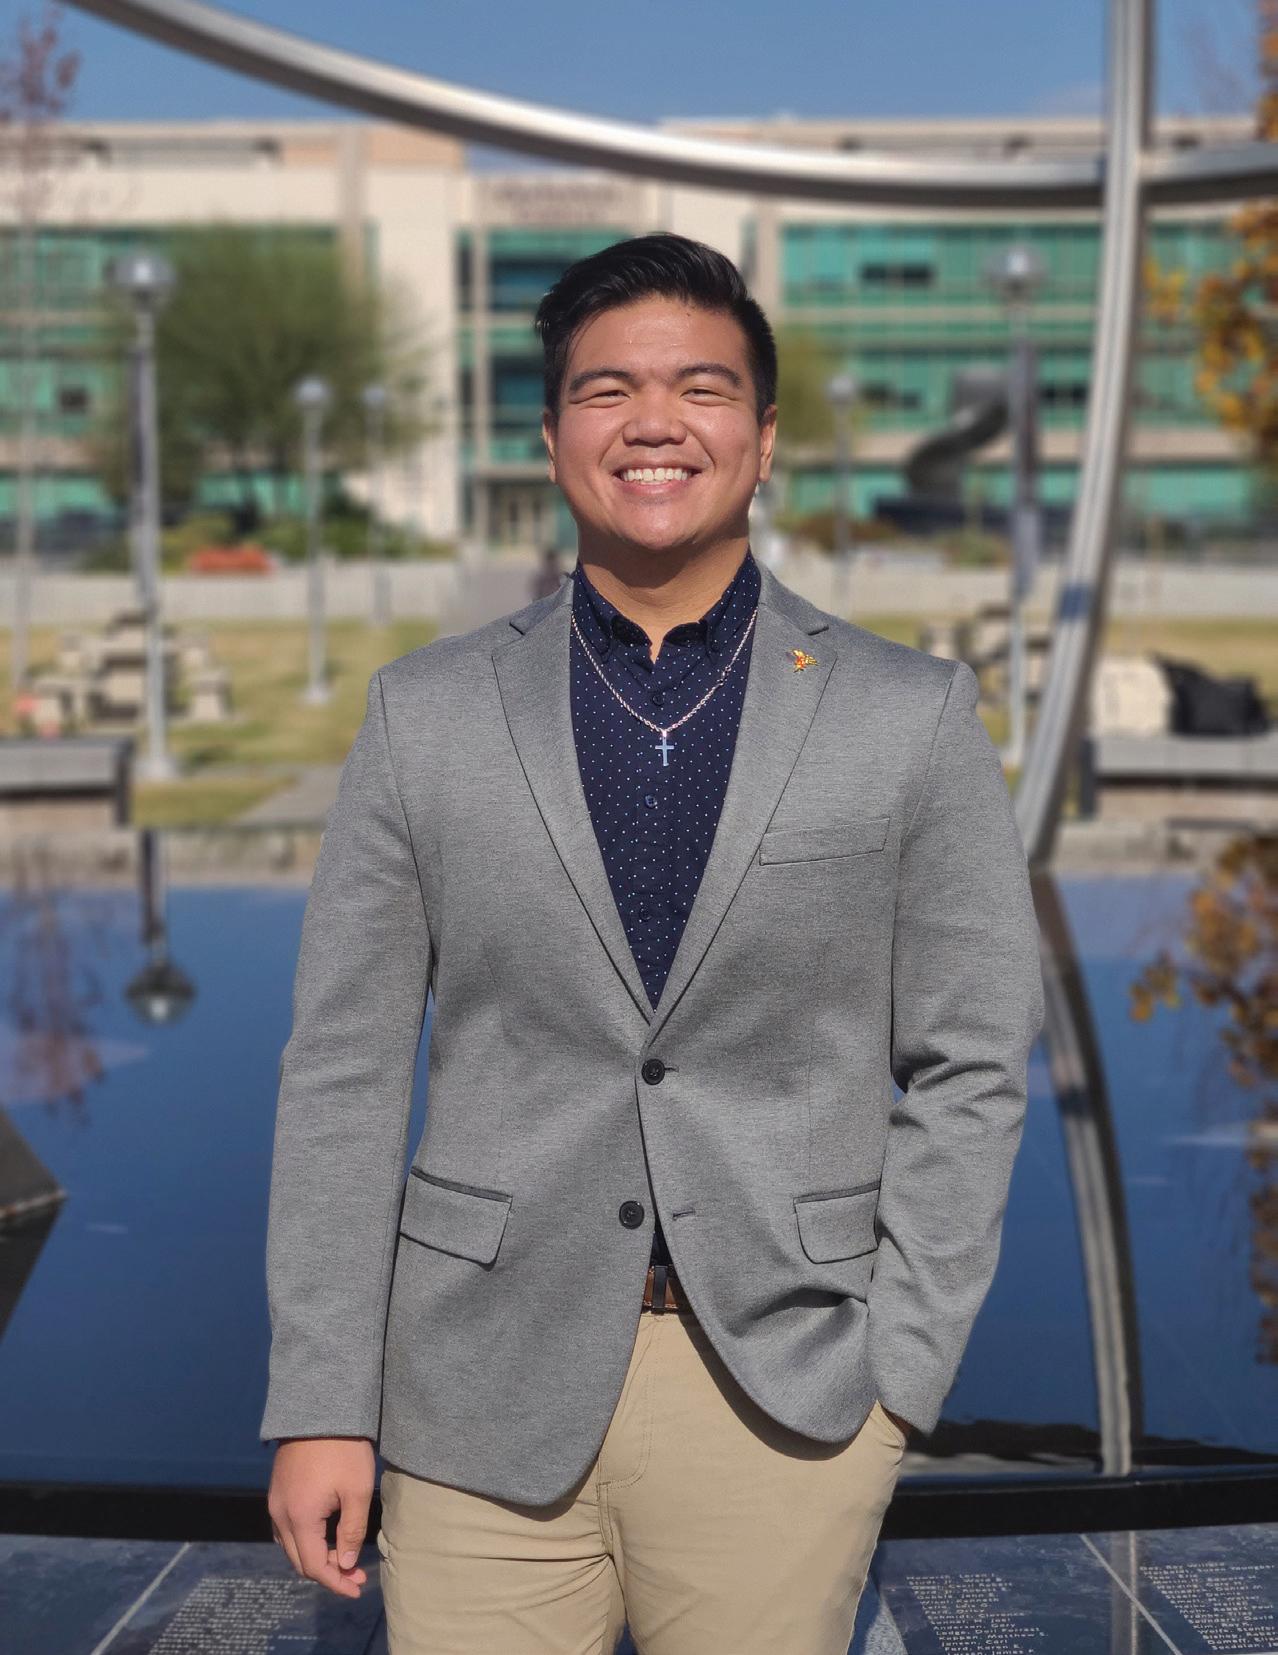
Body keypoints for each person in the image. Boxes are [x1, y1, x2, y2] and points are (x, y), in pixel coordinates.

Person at [262, 233, 1045, 1653]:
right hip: (473, 1385)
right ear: (552, 436)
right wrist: (322, 1401)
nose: (653, 422)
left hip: (784, 1397)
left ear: (763, 437)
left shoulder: (907, 716)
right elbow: (344, 1072)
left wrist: (900, 1370)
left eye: (700, 387)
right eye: (607, 389)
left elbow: (974, 1059)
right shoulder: (422, 714)